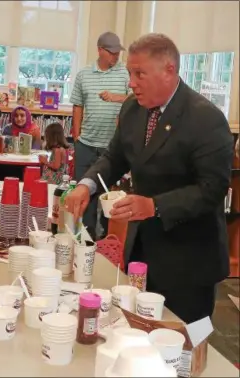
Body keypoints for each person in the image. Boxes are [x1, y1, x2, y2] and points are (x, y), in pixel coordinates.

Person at [65, 33, 233, 324]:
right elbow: (114, 157)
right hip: (143, 251)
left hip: (189, 260)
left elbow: (213, 189)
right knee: (140, 333)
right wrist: (85, 185)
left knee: (182, 346)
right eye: (130, 72)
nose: (131, 82)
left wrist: (154, 206)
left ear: (169, 70)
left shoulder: (206, 119)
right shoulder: (133, 108)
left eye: (139, 73)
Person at [70, 32, 130, 241]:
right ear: (100, 51)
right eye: (112, 53)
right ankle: (83, 240)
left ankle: (106, 242)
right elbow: (77, 105)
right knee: (84, 194)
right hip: (85, 145)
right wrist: (76, 136)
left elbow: (137, 98)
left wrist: (116, 97)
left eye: (117, 53)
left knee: (109, 200)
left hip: (112, 149)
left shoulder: (125, 73)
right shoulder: (84, 74)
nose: (116, 57)